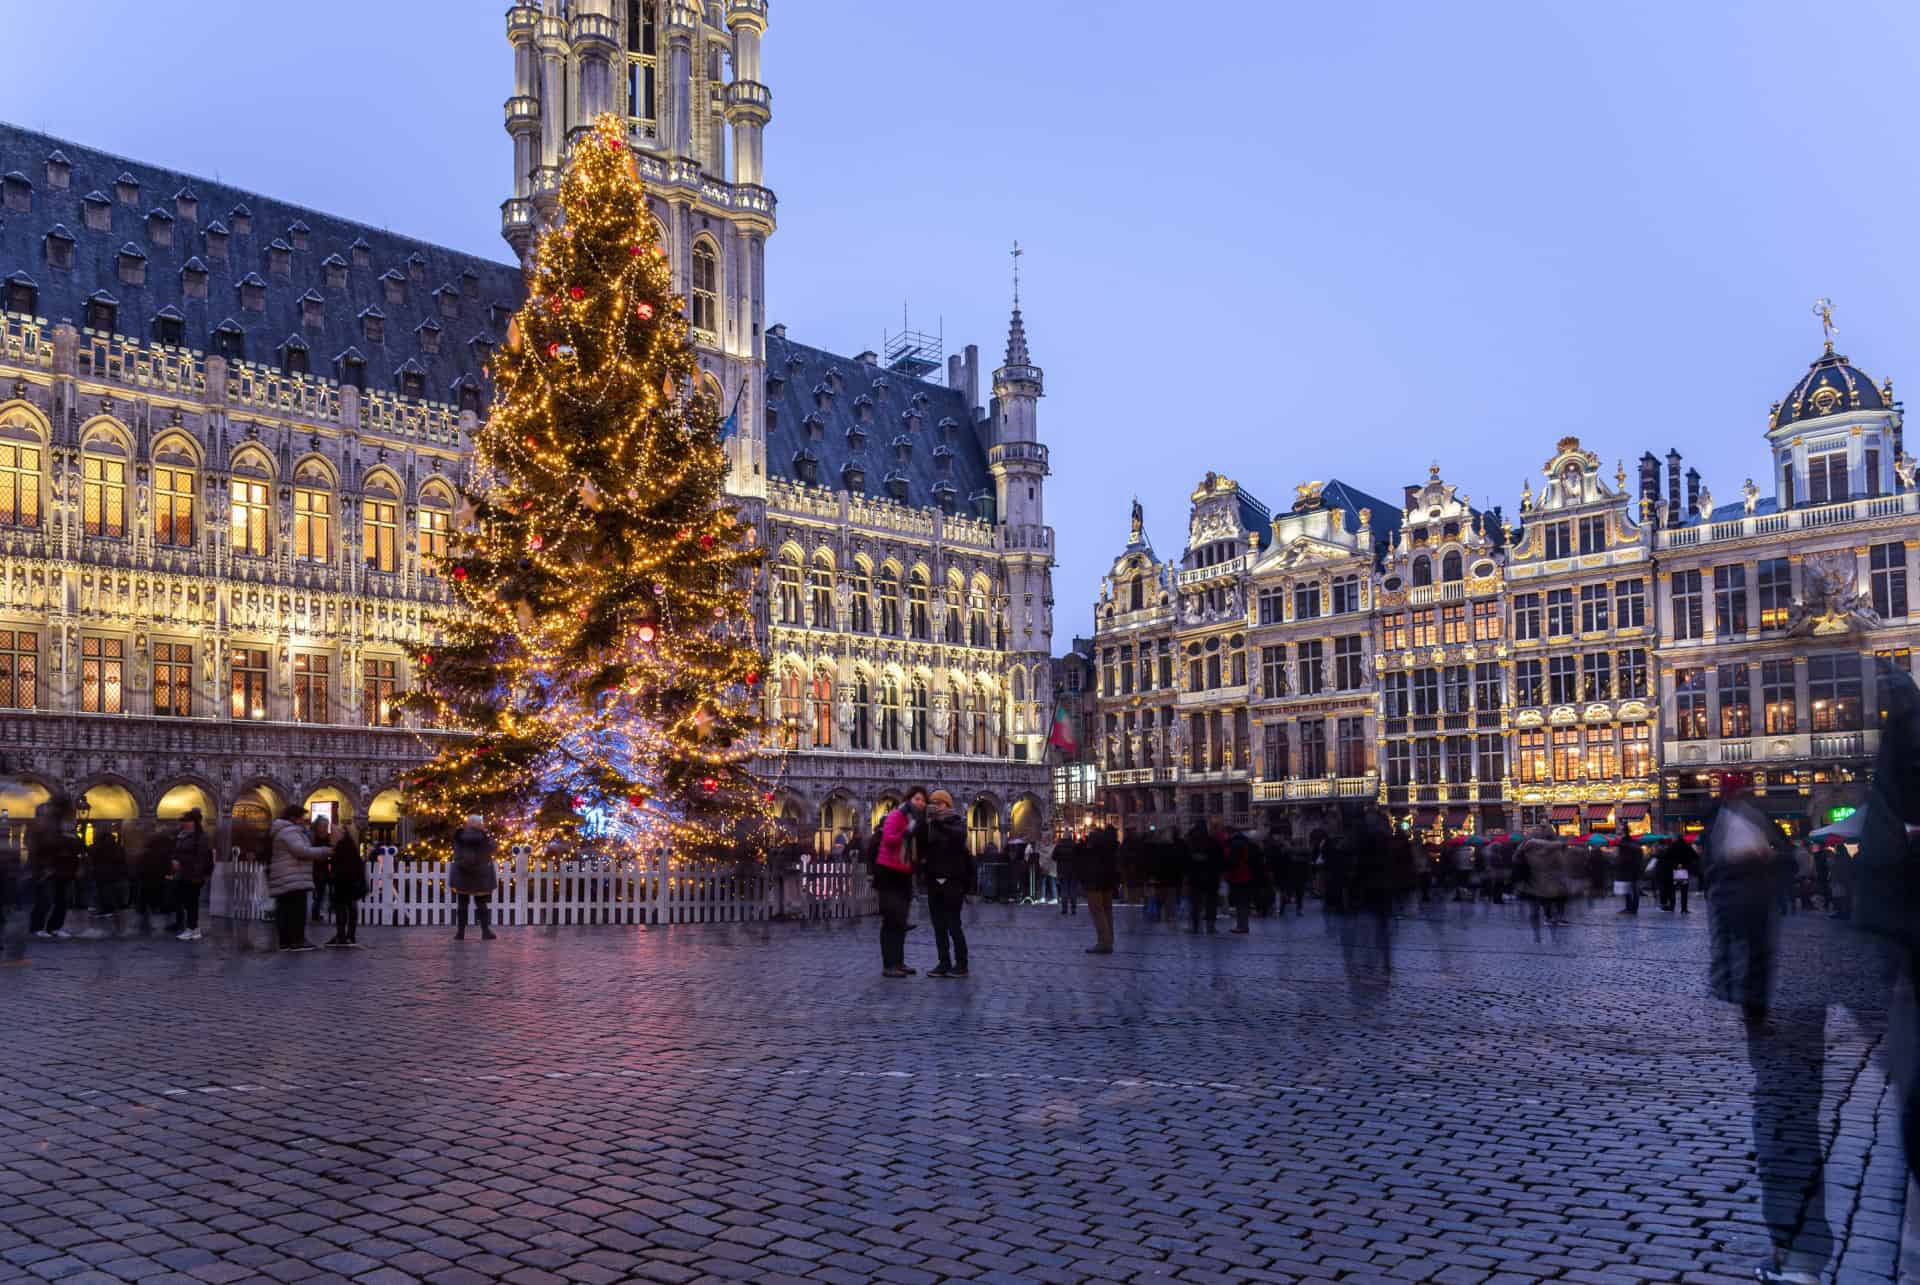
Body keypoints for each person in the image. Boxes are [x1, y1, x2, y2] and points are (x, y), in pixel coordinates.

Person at [920, 790, 972, 978]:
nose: (936, 806)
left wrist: (939, 822)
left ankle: (962, 964)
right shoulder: (930, 824)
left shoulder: (957, 822)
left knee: (953, 924)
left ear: (948, 805)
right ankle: (943, 962)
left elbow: (958, 838)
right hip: (934, 880)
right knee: (938, 925)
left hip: (953, 880)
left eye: (940, 803)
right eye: (933, 802)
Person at [267, 803, 333, 951]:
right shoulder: (290, 831)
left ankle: (286, 942)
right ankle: (297, 940)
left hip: (287, 876)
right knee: (296, 910)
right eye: (301, 818)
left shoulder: (283, 830)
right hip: (292, 876)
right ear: (293, 818)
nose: (304, 820)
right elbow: (301, 851)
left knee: (286, 909)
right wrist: (326, 851)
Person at [873, 788, 924, 978]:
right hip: (889, 873)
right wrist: (907, 833)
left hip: (903, 872)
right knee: (891, 920)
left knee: (901, 920)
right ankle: (889, 964)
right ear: (909, 799)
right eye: (917, 799)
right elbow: (889, 839)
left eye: (923, 800)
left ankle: (899, 961)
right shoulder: (896, 816)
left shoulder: (915, 819)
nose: (921, 803)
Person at [28, 796, 82, 940]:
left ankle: (54, 928)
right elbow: (44, 846)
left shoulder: (63, 824)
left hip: (63, 868)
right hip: (49, 867)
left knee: (61, 900)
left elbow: (76, 847)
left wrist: (71, 840)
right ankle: (37, 928)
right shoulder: (48, 824)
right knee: (45, 899)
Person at [450, 815, 499, 941]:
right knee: (481, 903)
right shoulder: (483, 837)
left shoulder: (459, 836)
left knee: (462, 904)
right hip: (480, 874)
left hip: (462, 873)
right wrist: (487, 835)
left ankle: (460, 933)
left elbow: (456, 850)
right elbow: (493, 847)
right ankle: (485, 931)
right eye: (481, 823)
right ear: (478, 825)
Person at [1516, 825, 1570, 935]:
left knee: (1550, 898)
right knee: (1554, 898)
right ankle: (1554, 917)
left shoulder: (1532, 845)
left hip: (1543, 878)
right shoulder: (1550, 846)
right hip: (1547, 877)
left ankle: (1551, 917)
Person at [169, 809, 213, 941]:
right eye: (184, 821)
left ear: (195, 823)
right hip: (183, 874)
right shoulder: (182, 835)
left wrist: (195, 873)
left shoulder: (201, 838)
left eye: (187, 821)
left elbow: (201, 858)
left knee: (191, 903)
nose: (185, 824)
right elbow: (177, 852)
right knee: (187, 902)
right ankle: (195, 929)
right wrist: (174, 860)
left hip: (193, 875)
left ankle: (191, 928)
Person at [325, 823, 368, 947]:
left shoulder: (341, 847)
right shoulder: (350, 845)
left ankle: (342, 935)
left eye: (334, 832)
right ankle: (349, 935)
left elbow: (339, 866)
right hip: (350, 882)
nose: (332, 835)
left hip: (344, 882)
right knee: (350, 907)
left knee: (342, 908)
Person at [1081, 823, 1119, 954]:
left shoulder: (1093, 851)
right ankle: (1109, 940)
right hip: (1107, 883)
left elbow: (1086, 865)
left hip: (1095, 884)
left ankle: (1103, 942)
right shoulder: (1110, 847)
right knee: (1107, 911)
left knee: (1097, 911)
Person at [1186, 819, 1222, 933]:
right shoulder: (1213, 842)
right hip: (1211, 877)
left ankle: (1195, 926)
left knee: (1195, 903)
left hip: (1195, 877)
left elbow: (1185, 861)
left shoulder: (1191, 843)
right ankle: (1210, 926)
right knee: (1211, 902)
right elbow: (1219, 860)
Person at [1223, 825, 1256, 933]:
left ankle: (1241, 926)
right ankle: (1243, 925)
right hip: (1247, 875)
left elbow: (1232, 861)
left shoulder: (1235, 844)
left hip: (1239, 876)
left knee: (1240, 902)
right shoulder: (1245, 842)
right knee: (1244, 902)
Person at [1053, 831, 1079, 915]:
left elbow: (1053, 856)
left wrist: (1060, 860)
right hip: (1074, 870)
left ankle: (1064, 909)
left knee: (1064, 889)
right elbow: (1079, 857)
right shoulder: (1075, 845)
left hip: (1062, 870)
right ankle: (1073, 908)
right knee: (1072, 890)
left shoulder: (1059, 846)